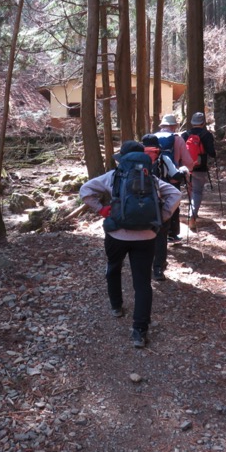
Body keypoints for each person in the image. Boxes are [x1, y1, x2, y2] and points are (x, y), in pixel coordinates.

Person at [79, 140, 181, 348]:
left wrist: (101, 209)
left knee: (113, 269)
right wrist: (162, 215)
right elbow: (176, 194)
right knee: (142, 282)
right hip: (146, 237)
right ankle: (139, 331)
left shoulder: (113, 176)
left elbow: (85, 191)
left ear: (122, 159)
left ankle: (116, 306)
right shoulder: (150, 178)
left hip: (116, 234)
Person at [150, 114, 195, 281]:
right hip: (171, 178)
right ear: (174, 126)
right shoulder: (177, 139)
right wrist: (188, 169)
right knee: (172, 205)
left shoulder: (152, 137)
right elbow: (188, 160)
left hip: (149, 182)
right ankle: (171, 233)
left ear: (162, 126)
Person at [181, 112, 217, 232]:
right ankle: (192, 215)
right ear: (203, 123)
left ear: (192, 122)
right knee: (197, 191)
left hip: (186, 167)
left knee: (191, 190)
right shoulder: (206, 135)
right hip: (200, 167)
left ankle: (192, 210)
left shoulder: (185, 135)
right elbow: (212, 152)